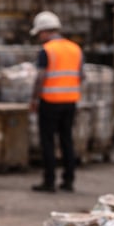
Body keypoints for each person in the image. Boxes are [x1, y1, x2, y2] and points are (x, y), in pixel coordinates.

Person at [29, 11, 84, 193]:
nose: (39, 37)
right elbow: (81, 76)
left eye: (39, 33)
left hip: (50, 101)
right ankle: (69, 180)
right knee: (67, 140)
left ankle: (49, 181)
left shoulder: (47, 50)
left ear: (45, 31)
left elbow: (41, 77)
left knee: (48, 142)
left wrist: (34, 99)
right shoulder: (75, 48)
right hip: (70, 101)